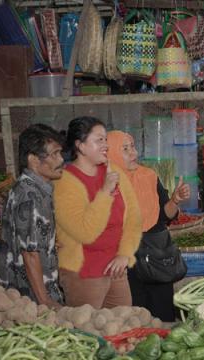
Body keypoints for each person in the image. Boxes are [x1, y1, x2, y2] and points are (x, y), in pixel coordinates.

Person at [54, 117, 142, 308]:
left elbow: (134, 216)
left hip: (116, 268)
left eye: (105, 140)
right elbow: (85, 232)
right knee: (88, 331)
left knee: (123, 324)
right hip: (83, 272)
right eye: (98, 140)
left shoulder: (113, 171)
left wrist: (125, 253)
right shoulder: (64, 182)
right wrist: (104, 192)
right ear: (81, 146)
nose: (105, 146)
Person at [106, 130, 190, 322]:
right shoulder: (107, 184)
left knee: (163, 314)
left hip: (155, 256)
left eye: (133, 146)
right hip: (127, 260)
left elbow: (163, 216)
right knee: (135, 316)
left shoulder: (149, 176)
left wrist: (175, 200)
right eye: (125, 149)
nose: (133, 153)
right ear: (110, 154)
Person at [0, 124, 65, 309]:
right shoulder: (30, 196)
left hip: (25, 295)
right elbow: (30, 254)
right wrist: (44, 301)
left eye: (60, 152)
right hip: (30, 299)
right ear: (33, 160)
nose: (61, 159)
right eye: (54, 154)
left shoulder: (29, 187)